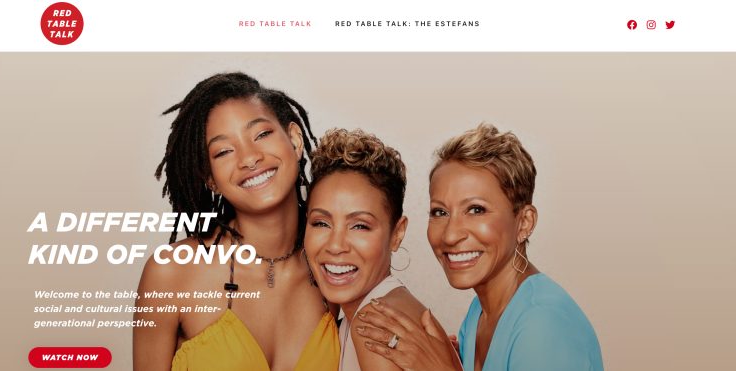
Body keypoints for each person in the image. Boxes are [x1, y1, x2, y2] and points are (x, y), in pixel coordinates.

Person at [133, 72, 339, 371]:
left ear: (295, 140)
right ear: (210, 179)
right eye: (224, 151)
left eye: (262, 134)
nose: (249, 158)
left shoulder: (336, 266)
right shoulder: (171, 273)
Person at [357, 124, 604, 371]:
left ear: (524, 222)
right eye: (440, 212)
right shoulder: (478, 314)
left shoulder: (545, 323)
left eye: (476, 210)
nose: (451, 234)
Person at [302, 128, 433, 371]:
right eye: (321, 223)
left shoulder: (376, 326)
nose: (335, 245)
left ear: (397, 233)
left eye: (360, 226)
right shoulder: (367, 315)